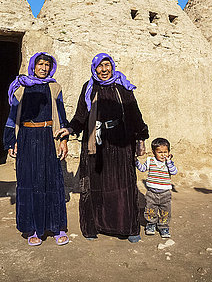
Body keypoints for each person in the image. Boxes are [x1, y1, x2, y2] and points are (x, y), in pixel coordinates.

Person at [56, 53, 149, 243]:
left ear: (112, 66)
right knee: (97, 183)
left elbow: (134, 114)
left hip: (121, 140)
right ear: (94, 68)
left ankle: (128, 228)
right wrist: (70, 129)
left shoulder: (123, 86)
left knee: (123, 183)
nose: (104, 70)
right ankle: (95, 226)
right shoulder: (89, 88)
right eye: (100, 66)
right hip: (95, 142)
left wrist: (141, 138)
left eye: (107, 65)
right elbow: (81, 115)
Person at [3, 52, 70, 246]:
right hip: (26, 137)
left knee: (52, 181)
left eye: (47, 65)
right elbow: (12, 115)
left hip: (49, 137)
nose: (44, 68)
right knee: (29, 182)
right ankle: (32, 228)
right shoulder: (21, 87)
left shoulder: (55, 87)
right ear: (33, 66)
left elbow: (62, 115)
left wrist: (63, 140)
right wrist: (10, 141)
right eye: (40, 64)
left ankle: (56, 227)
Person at [135, 137, 178, 238]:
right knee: (150, 209)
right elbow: (142, 168)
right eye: (160, 152)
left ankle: (163, 226)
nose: (163, 154)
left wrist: (169, 162)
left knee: (165, 210)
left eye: (165, 152)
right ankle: (151, 224)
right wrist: (136, 161)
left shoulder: (169, 163)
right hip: (151, 193)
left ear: (169, 152)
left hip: (165, 193)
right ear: (154, 152)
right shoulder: (150, 160)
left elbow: (174, 172)